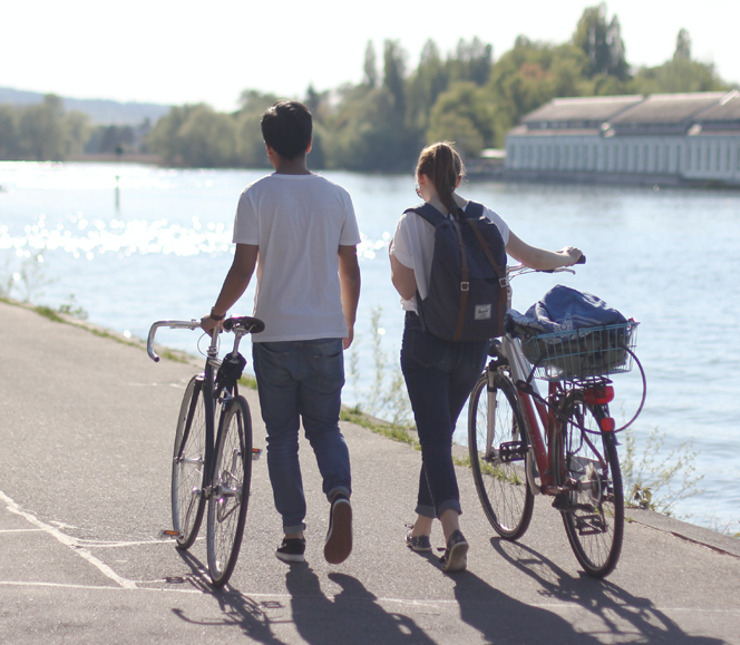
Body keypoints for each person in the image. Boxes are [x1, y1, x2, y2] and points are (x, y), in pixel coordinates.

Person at [388, 142, 581, 572]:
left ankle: (453, 531)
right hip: (473, 344)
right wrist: (568, 256)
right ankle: (421, 528)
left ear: (421, 180)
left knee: (435, 439)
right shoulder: (485, 217)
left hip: (426, 343)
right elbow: (532, 257)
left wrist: (393, 257)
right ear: (458, 179)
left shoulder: (411, 223)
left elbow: (405, 290)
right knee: (439, 435)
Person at [201, 100, 361, 565]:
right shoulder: (337, 197)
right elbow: (349, 265)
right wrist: (346, 320)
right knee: (326, 428)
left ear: (269, 149)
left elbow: (243, 267)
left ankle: (294, 534)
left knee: (281, 438)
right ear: (310, 143)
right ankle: (340, 496)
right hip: (326, 332)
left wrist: (217, 311)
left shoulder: (255, 196)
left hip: (273, 335)